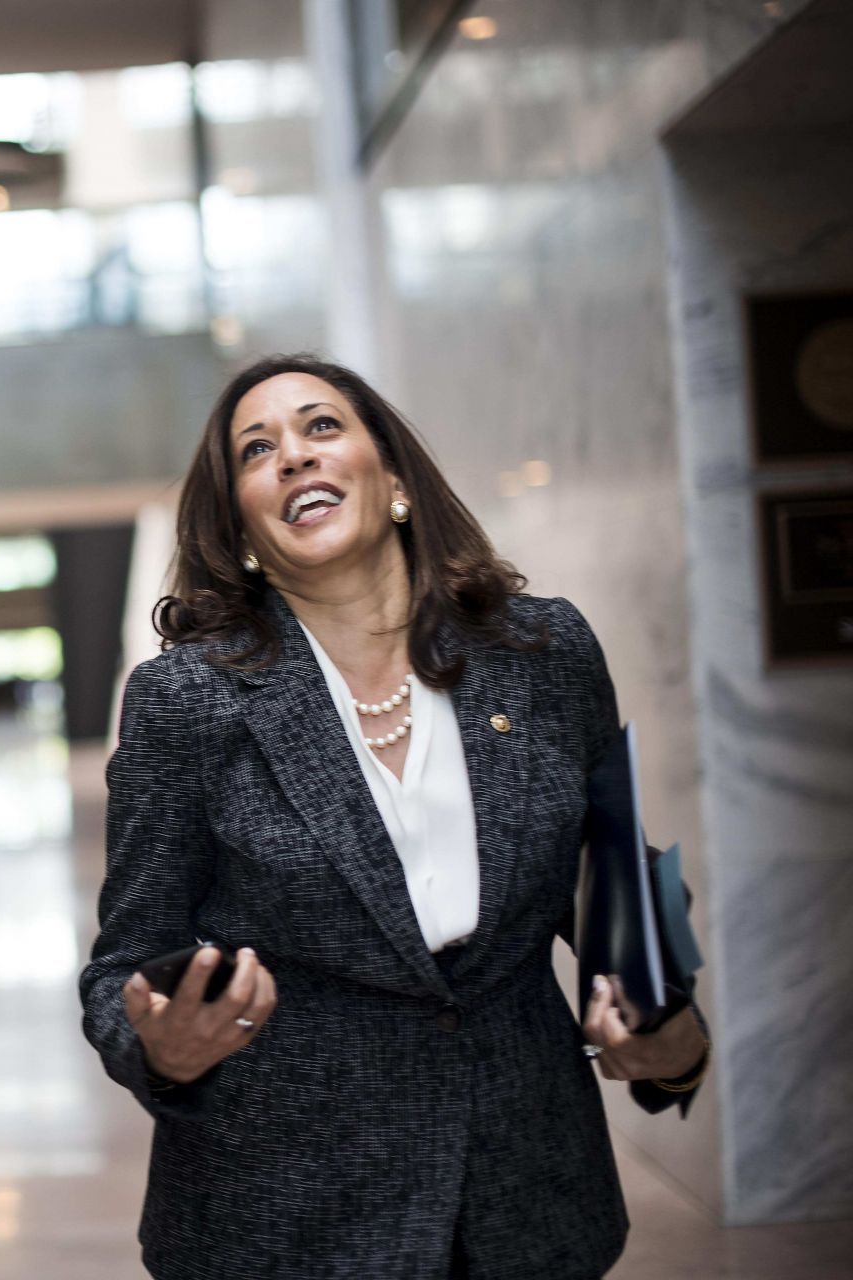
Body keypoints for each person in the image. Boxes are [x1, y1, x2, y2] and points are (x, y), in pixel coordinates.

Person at [79, 354, 709, 1279]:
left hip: (527, 1195)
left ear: (398, 480)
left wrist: (673, 1039)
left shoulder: (543, 651)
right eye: (258, 450)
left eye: (322, 427)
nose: (293, 456)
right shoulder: (188, 703)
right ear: (244, 528)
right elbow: (122, 966)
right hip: (287, 1214)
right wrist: (160, 1046)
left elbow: (608, 892)